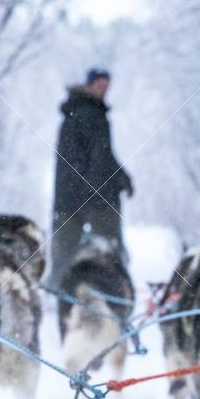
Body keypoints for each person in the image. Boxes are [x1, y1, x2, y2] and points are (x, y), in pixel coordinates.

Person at [50, 67, 133, 283]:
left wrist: (122, 178)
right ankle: (117, 296)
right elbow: (98, 158)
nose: (104, 90)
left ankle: (59, 295)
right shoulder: (91, 115)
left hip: (71, 196)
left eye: (107, 86)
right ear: (89, 85)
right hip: (92, 196)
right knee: (110, 251)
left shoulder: (77, 113)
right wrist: (109, 185)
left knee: (64, 254)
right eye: (99, 85)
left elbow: (102, 156)